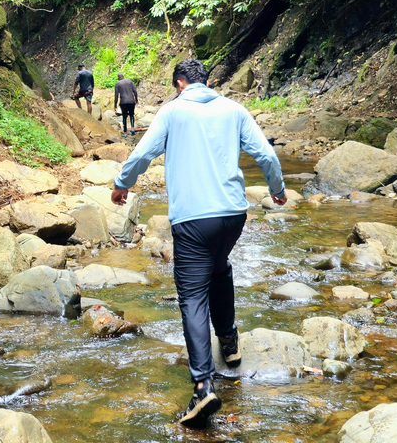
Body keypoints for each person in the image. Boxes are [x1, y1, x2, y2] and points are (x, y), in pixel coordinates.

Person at [111, 59, 286, 428]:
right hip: (233, 215)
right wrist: (277, 189)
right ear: (206, 81)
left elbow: (143, 153)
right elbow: (267, 155)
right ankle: (230, 341)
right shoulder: (234, 109)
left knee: (192, 295)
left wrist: (123, 182)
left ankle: (203, 386)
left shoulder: (172, 111)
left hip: (193, 219)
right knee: (219, 265)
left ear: (179, 83)